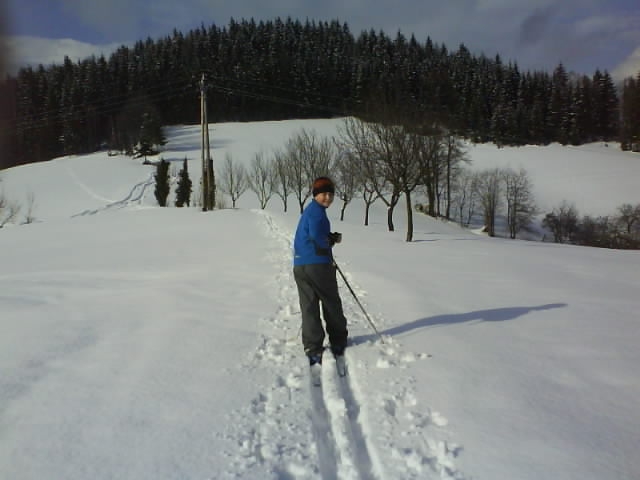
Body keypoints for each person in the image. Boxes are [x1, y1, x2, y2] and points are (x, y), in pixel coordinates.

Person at [293, 177, 348, 366]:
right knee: (331, 302)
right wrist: (329, 241)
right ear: (315, 195)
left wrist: (329, 237)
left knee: (309, 306)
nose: (328, 198)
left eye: (330, 194)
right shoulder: (317, 212)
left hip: (300, 264)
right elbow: (316, 235)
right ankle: (338, 341)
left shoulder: (309, 211)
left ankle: (312, 346)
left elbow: (312, 234)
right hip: (318, 264)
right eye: (324, 194)